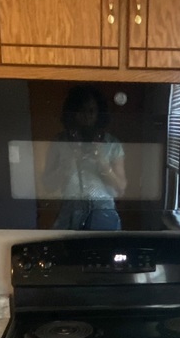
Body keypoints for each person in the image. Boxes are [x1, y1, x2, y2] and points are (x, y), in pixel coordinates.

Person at [43, 85, 126, 230]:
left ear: (99, 113)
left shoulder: (111, 144)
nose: (86, 116)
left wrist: (103, 163)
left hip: (104, 213)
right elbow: (48, 186)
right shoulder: (60, 142)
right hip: (70, 212)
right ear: (72, 113)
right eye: (80, 111)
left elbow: (120, 189)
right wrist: (67, 165)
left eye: (91, 111)